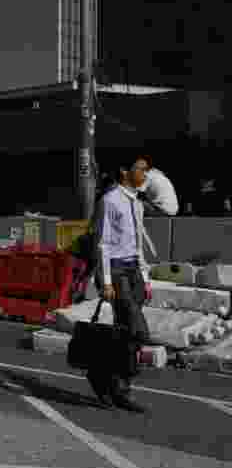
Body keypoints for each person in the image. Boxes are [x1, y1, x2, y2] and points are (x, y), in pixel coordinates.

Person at [91, 153, 152, 414]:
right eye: (141, 170)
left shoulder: (137, 204)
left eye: (146, 170)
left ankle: (110, 382)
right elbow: (103, 243)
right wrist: (105, 281)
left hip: (134, 270)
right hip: (115, 270)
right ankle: (113, 383)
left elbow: (138, 244)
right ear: (125, 172)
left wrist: (145, 278)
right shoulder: (110, 200)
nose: (145, 175)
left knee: (127, 333)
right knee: (138, 330)